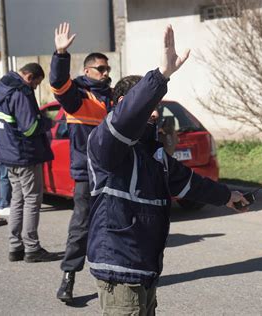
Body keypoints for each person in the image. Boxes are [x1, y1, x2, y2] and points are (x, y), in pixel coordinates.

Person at [86, 25, 249, 315]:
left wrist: (228, 196)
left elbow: (189, 183)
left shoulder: (155, 153)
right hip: (119, 266)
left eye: (157, 106)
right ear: (125, 105)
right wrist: (161, 75)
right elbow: (125, 121)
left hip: (145, 266)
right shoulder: (106, 143)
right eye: (150, 105)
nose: (156, 113)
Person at [49, 22, 114, 302]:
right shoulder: (77, 96)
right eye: (101, 69)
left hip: (114, 174)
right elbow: (58, 84)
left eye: (108, 69)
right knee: (81, 227)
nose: (106, 73)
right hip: (87, 175)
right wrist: (61, 53)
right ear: (88, 71)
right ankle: (68, 277)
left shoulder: (112, 99)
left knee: (113, 227)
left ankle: (112, 278)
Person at [0, 63, 56, 263]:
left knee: (17, 200)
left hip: (8, 154)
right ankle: (32, 248)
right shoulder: (21, 92)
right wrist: (47, 122)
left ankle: (15, 246)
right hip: (24, 155)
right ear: (29, 76)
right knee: (31, 201)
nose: (35, 88)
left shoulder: (2, 87)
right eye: (36, 84)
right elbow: (29, 128)